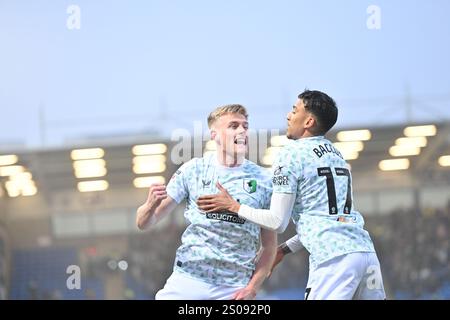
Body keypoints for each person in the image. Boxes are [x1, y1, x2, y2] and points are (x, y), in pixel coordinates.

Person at [197, 90, 386, 300]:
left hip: (334, 261)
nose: (289, 115)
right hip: (366, 255)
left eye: (295, 110)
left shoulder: (291, 154)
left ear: (309, 121)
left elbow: (277, 222)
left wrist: (234, 206)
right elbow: (328, 219)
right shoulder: (335, 154)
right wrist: (284, 249)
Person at [136, 104, 276, 300]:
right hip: (189, 279)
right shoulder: (193, 170)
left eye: (245, 125)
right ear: (215, 135)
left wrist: (252, 287)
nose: (242, 130)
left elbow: (269, 247)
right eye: (233, 126)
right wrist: (149, 206)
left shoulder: (264, 180)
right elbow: (144, 223)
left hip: (235, 287)